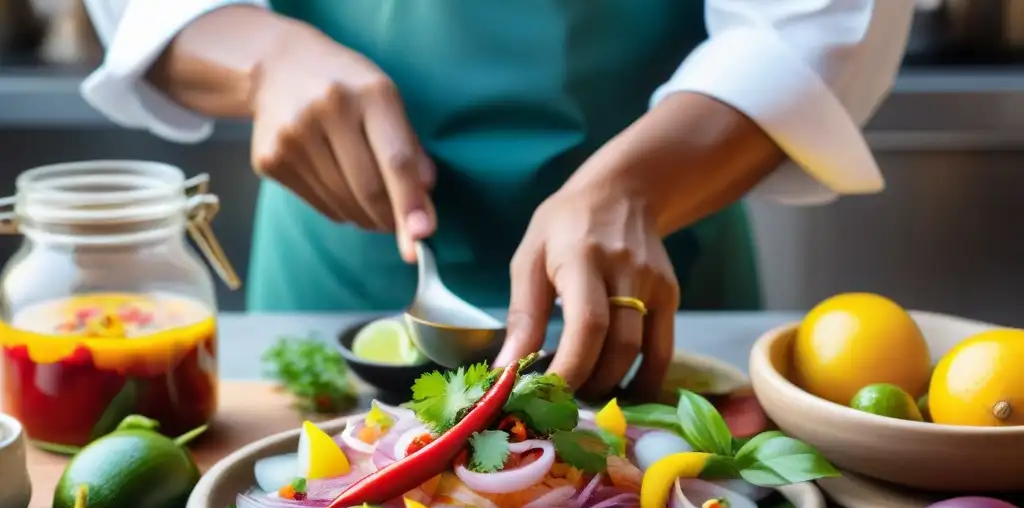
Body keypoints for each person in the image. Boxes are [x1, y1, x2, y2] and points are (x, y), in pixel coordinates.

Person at [81, 0, 914, 399]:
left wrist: (634, 185)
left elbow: (819, 20)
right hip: (336, 271)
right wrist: (262, 60)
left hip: (659, 262)